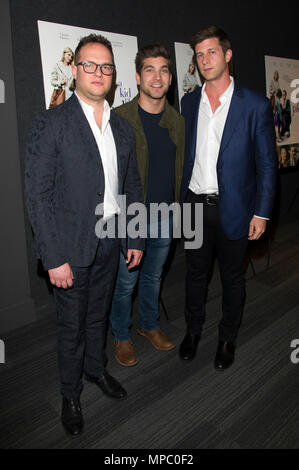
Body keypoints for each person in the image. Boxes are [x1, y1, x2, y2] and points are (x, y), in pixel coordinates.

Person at [25, 34, 144, 438]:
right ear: (75, 69)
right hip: (70, 246)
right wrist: (52, 256)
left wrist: (134, 237)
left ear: (113, 75)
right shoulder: (51, 122)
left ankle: (96, 371)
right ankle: (70, 393)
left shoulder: (123, 129)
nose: (98, 72)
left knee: (98, 317)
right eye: (89, 64)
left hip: (111, 240)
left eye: (105, 66)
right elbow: (38, 195)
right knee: (71, 326)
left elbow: (132, 187)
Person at [179, 26, 277, 370]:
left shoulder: (255, 105)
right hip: (193, 207)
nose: (205, 60)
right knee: (194, 276)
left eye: (212, 52)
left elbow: (267, 164)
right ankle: (192, 332)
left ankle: (227, 337)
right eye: (200, 54)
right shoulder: (189, 102)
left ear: (227, 55)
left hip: (234, 209)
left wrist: (262, 213)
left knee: (232, 278)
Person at [109, 44, 185, 367]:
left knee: (153, 276)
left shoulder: (178, 121)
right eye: (150, 70)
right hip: (132, 217)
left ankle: (149, 324)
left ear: (170, 79)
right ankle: (121, 334)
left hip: (166, 215)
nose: (157, 77)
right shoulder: (120, 118)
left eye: (164, 70)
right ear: (138, 77)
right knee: (125, 282)